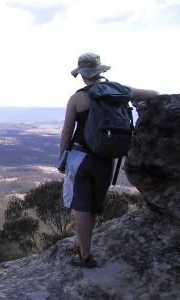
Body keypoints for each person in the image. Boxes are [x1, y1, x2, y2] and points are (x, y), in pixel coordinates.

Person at [60, 52, 158, 268]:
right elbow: (154, 94)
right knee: (93, 205)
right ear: (100, 71)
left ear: (83, 76)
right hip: (107, 158)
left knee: (82, 206)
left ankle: (85, 256)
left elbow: (67, 132)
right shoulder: (120, 91)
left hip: (81, 156)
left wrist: (62, 158)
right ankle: (80, 242)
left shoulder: (77, 98)